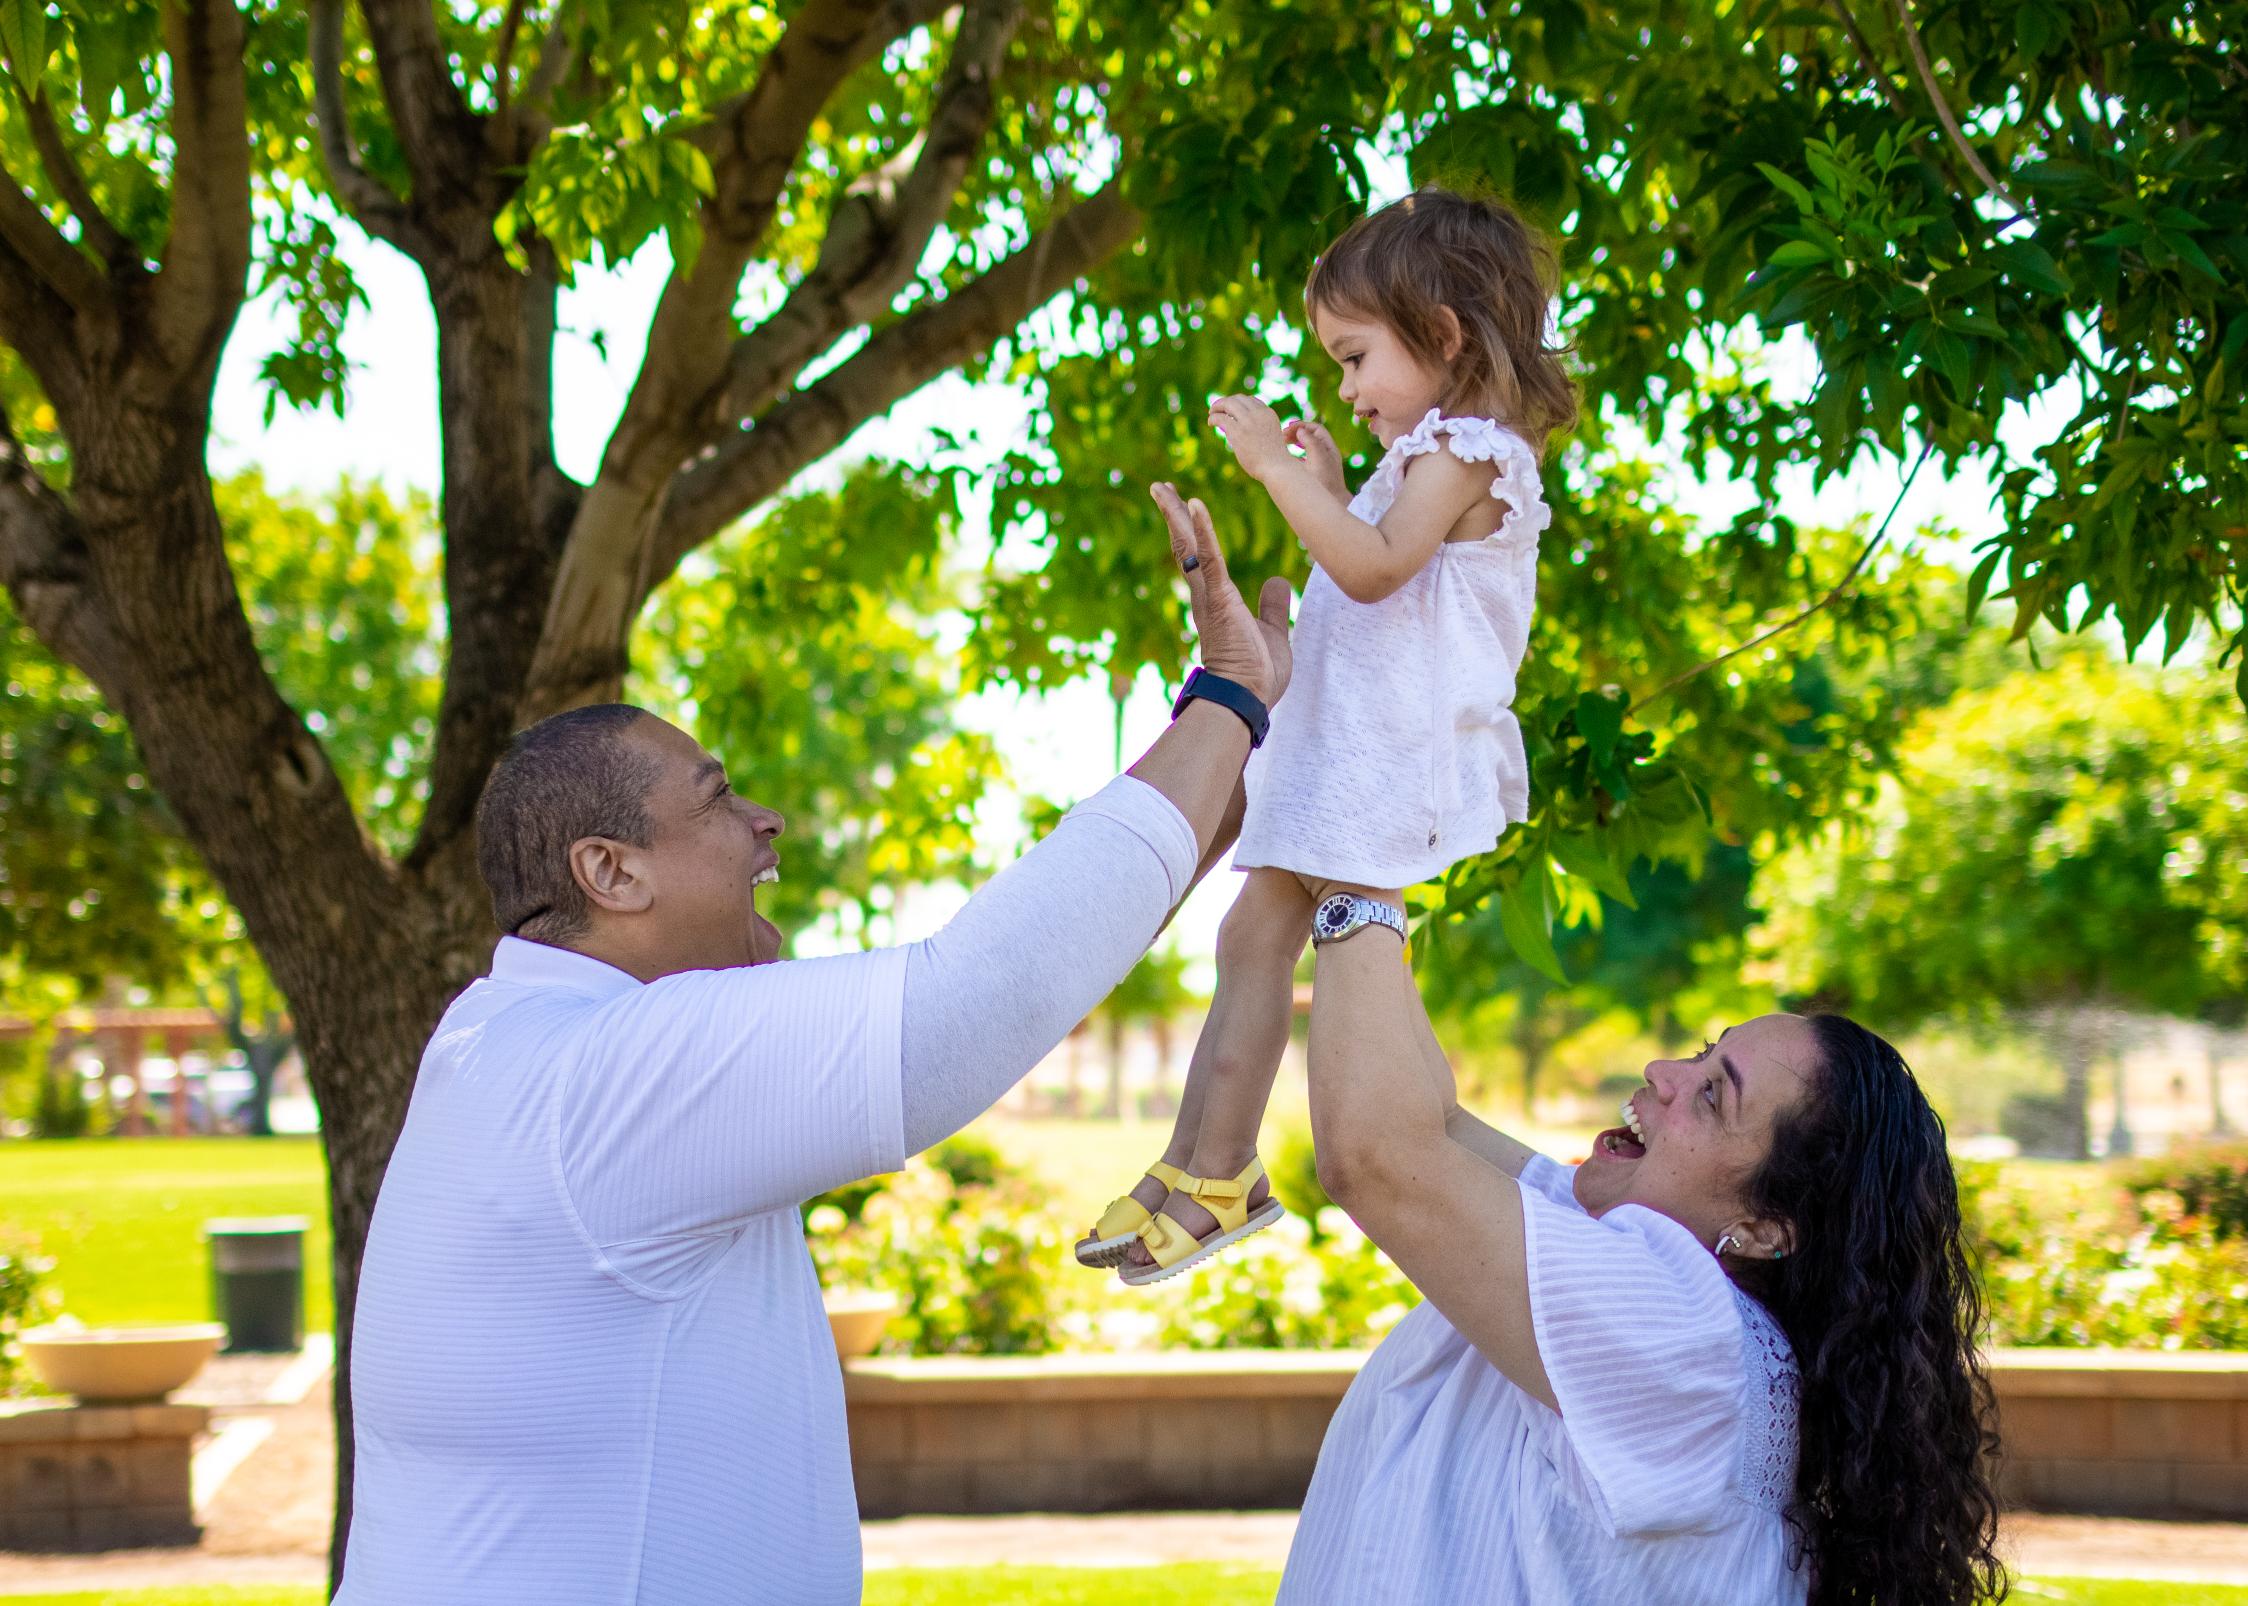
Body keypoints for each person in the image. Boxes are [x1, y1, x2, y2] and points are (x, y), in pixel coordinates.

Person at [332, 490, 1291, 1605]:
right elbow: (975, 1000)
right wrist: (1225, 693)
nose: (764, 820)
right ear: (612, 872)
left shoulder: (518, 1045)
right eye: (719, 797)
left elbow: (1045, 967)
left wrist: (1246, 747)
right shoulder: (597, 1077)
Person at [1075, 187, 1580, 1285]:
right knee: (1247, 938)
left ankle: (1215, 1172)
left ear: (1442, 336)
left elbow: (1370, 566)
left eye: (1355, 359)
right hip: (1349, 744)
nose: (1344, 388)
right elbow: (1382, 558)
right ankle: (1201, 1167)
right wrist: (1333, 487)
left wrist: (1274, 473)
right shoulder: (1432, 455)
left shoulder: (1472, 448)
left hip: (1387, 755)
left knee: (1261, 937)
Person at [1275, 883, 2009, 1605]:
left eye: (1714, 1095)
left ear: (1764, 1230)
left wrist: (1349, 877)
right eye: (1702, 1053)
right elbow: (1432, 1124)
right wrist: (1366, 870)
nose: (1663, 1074)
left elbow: (1375, 1158)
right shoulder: (1612, 1245)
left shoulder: (1682, 1331)